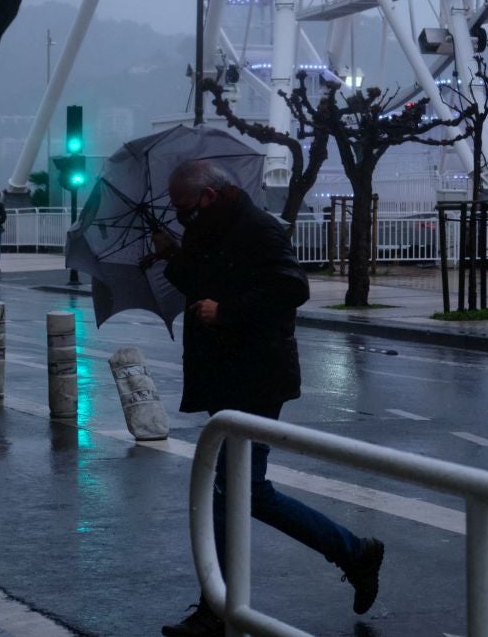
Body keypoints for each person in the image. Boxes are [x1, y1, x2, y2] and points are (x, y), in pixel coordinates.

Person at [152, 160, 385, 637]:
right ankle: (352, 553)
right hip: (224, 376)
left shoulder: (258, 228)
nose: (180, 217)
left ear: (210, 196)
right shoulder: (208, 230)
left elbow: (290, 286)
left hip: (255, 377)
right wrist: (172, 257)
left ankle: (215, 610)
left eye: (183, 208)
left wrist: (228, 311)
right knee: (244, 492)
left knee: (229, 494)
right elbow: (204, 287)